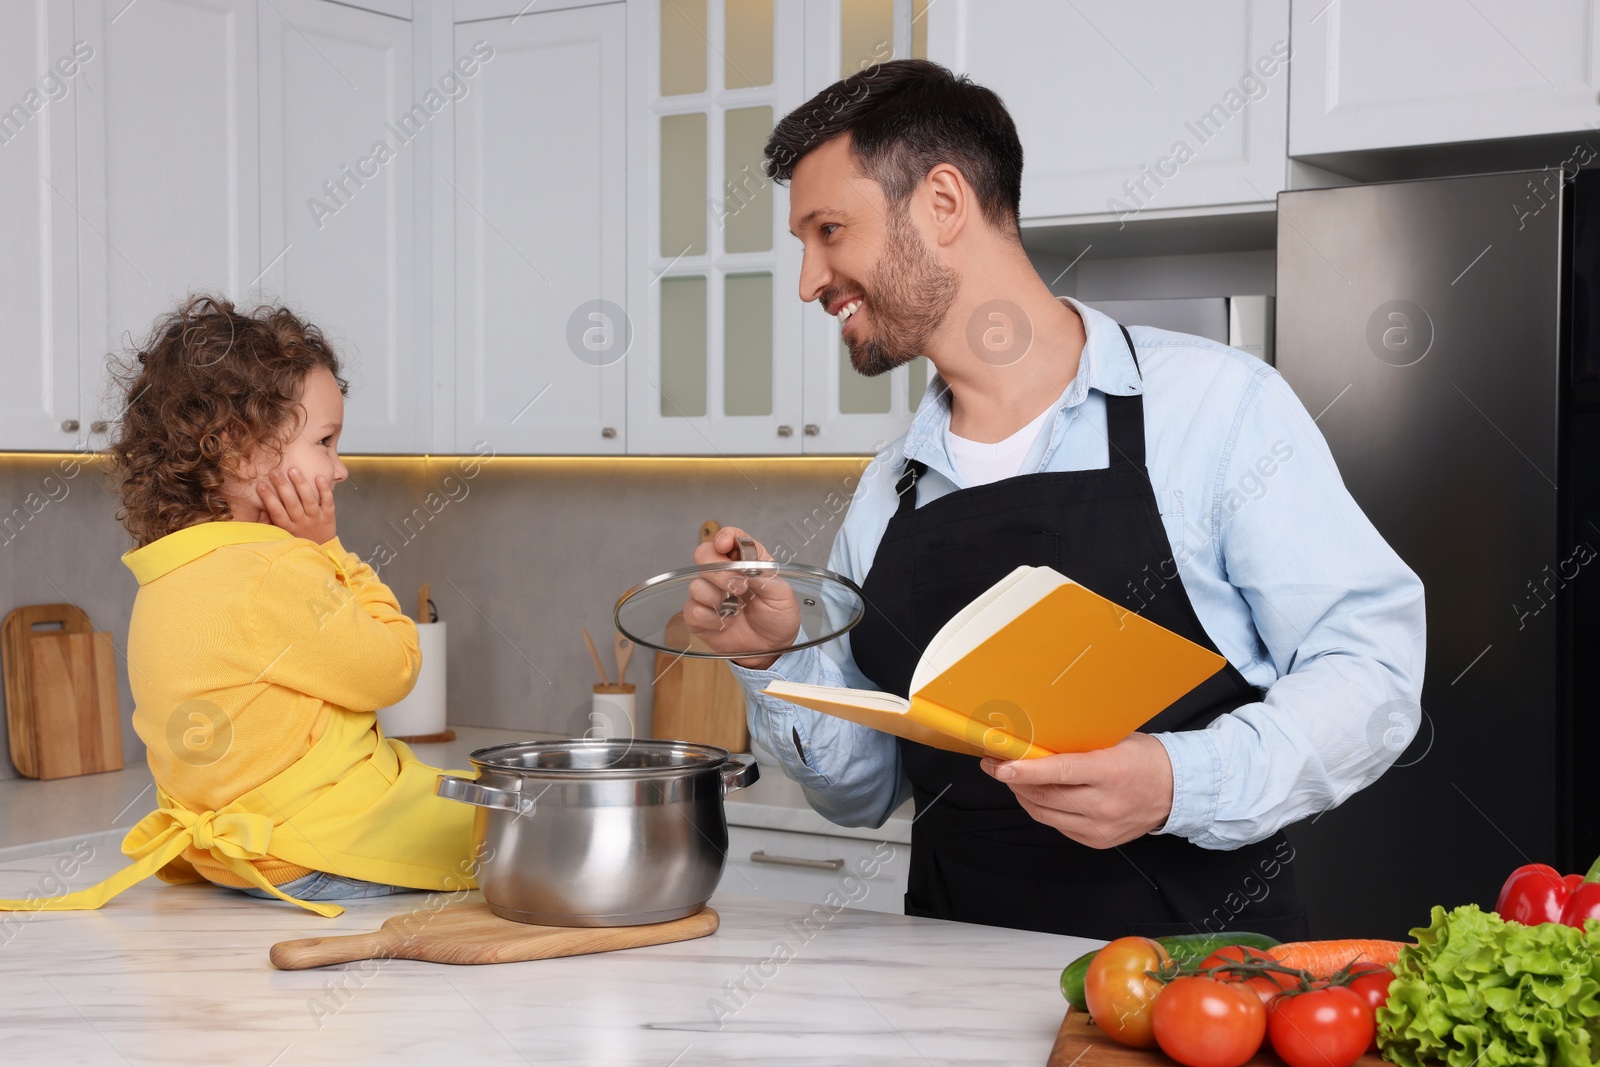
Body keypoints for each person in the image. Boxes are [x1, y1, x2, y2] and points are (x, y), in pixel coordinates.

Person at [683, 61, 1426, 939]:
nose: (810, 280)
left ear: (944, 203)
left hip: (1196, 992)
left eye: (829, 230)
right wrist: (775, 663)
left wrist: (1178, 780)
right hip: (949, 988)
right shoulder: (890, 486)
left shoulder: (1216, 409)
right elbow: (862, 791)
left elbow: (1373, 678)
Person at [0, 295, 476, 918]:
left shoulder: (170, 573)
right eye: (326, 442)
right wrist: (330, 549)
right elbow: (393, 668)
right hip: (315, 852)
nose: (340, 470)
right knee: (521, 826)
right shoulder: (273, 569)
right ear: (234, 448)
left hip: (235, 858)